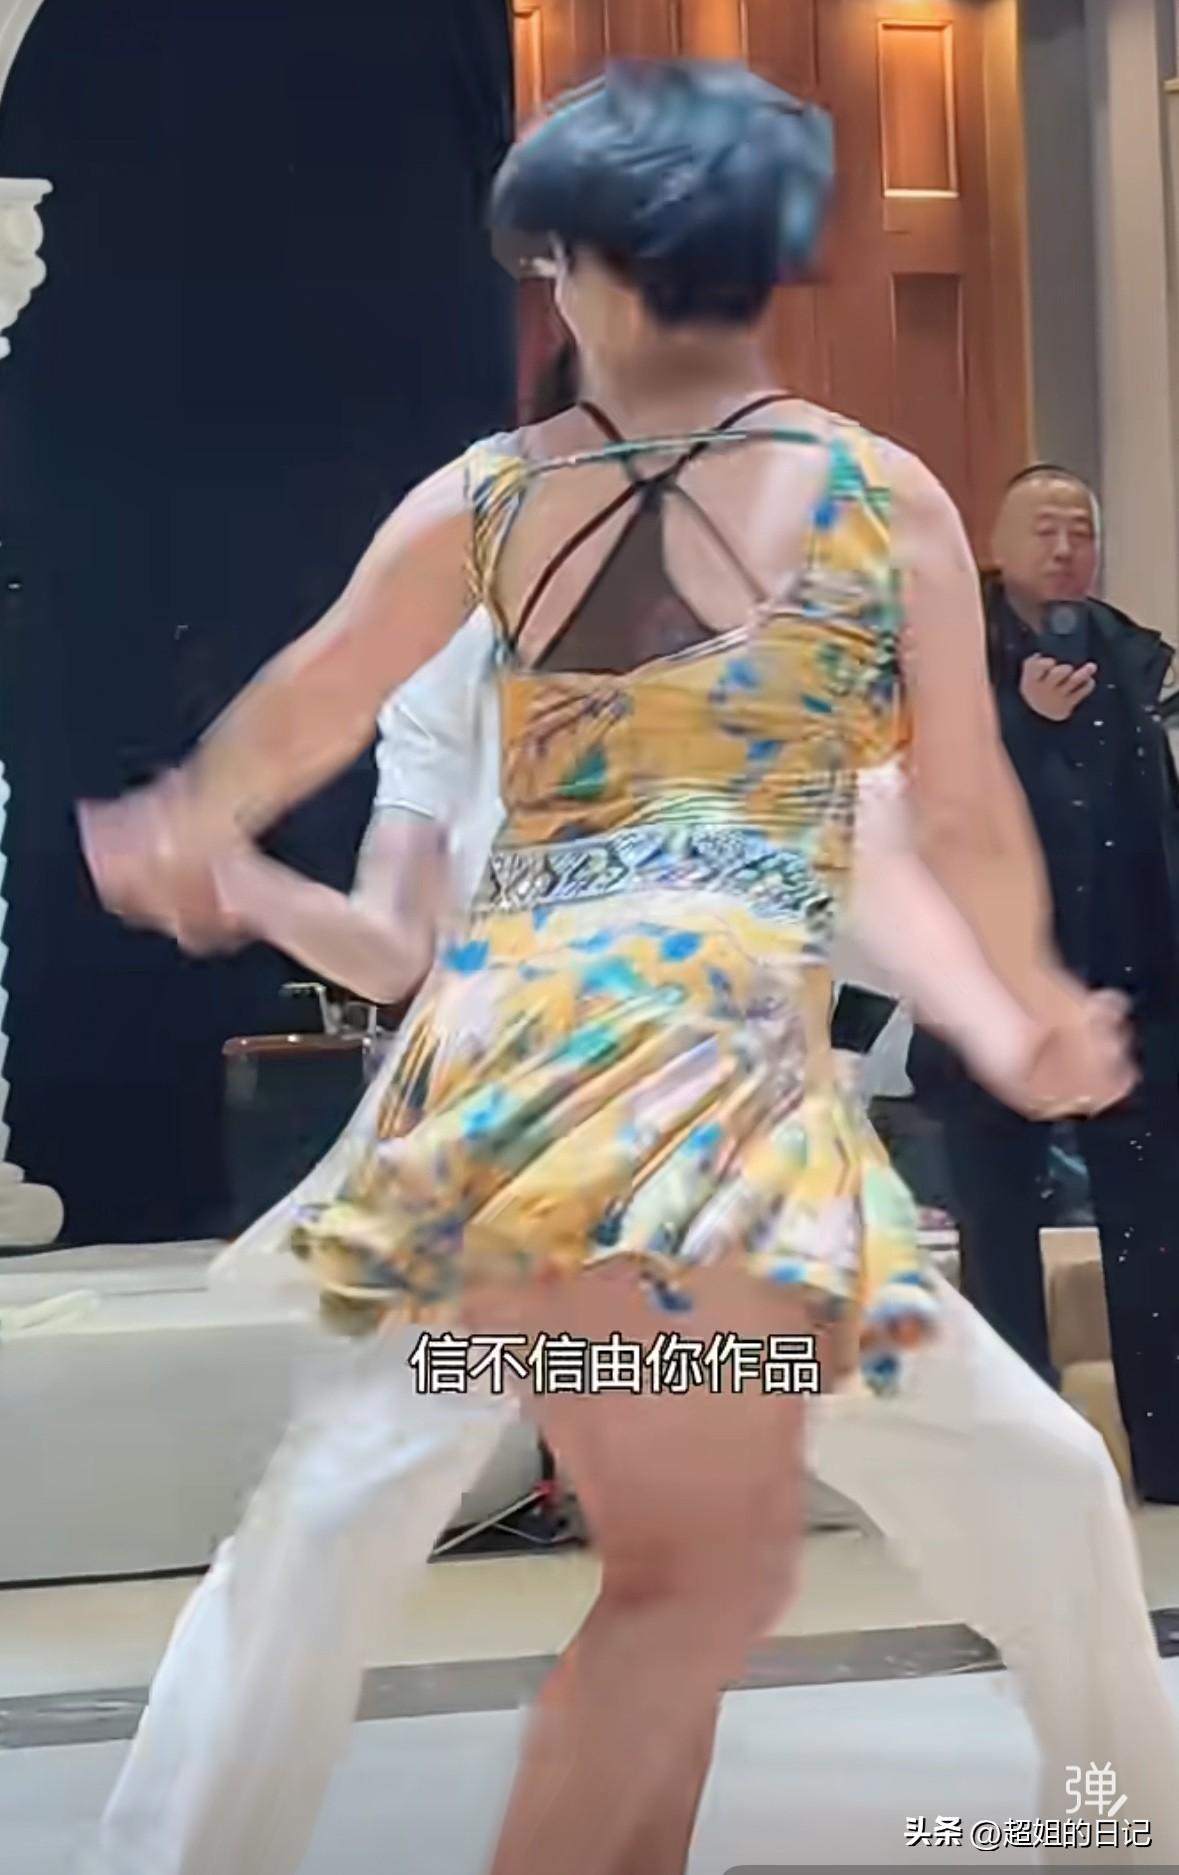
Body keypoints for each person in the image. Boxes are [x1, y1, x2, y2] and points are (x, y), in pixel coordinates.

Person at [82, 63, 1136, 1875]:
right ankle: (1110, 1828)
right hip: (704, 1077)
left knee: (348, 1528)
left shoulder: (491, 497)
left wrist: (196, 819)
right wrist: (1026, 996)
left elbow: (315, 691)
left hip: (531, 1071)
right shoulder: (875, 496)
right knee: (1000, 1505)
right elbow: (957, 811)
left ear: (588, 271)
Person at [910, 465, 1179, 1503]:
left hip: (1127, 994)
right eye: (1044, 529)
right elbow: (922, 816)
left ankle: (1163, 1458)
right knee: (999, 1241)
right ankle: (1017, 1466)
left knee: (1151, 1235)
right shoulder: (944, 664)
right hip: (990, 1005)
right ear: (996, 543)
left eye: (1081, 531)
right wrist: (1020, 724)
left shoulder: (1132, 661)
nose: (1065, 549)